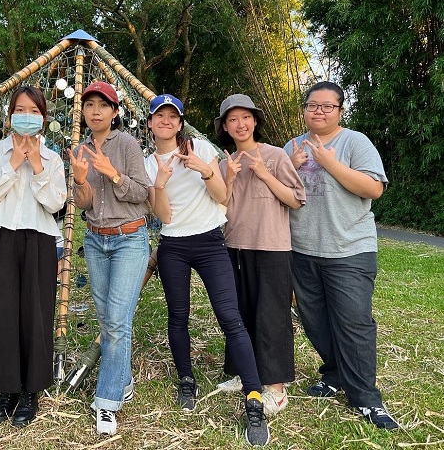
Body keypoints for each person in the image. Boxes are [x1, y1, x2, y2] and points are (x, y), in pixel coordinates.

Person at [145, 94, 270, 446]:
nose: (166, 121)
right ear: (150, 123)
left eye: (172, 116)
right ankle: (186, 379)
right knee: (178, 316)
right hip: (173, 246)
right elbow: (163, 216)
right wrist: (161, 182)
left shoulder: (199, 147)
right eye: (159, 116)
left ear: (180, 122)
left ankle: (254, 397)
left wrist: (205, 169)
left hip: (210, 241)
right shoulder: (148, 164)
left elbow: (222, 197)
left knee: (230, 317)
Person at [283, 81, 397, 430]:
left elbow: (373, 188)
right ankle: (334, 374)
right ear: (304, 109)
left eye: (327, 106)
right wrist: (289, 165)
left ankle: (366, 398)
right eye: (312, 105)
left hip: (349, 249)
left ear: (340, 110)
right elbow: (277, 191)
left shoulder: (355, 142)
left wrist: (330, 164)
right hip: (302, 248)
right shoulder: (292, 145)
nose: (318, 111)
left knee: (354, 323)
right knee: (315, 322)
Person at [0, 85, 66, 428]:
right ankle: (6, 388)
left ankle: (30, 390)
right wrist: (13, 164)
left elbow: (56, 204)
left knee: (36, 313)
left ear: (44, 117)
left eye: (34, 111)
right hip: (2, 237)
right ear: (10, 114)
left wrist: (37, 166)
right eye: (20, 110)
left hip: (40, 239)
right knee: (2, 312)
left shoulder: (53, 158)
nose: (27, 116)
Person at [214, 94, 305, 415]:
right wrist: (228, 177)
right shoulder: (224, 163)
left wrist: (265, 174)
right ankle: (244, 373)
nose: (240, 124)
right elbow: (220, 205)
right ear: (225, 127)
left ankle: (276, 389)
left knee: (271, 316)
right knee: (239, 313)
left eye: (245, 117)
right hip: (234, 246)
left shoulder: (276, 156)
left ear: (255, 121)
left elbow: (296, 199)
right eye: (232, 119)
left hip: (271, 246)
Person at [68, 81, 149, 436]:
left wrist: (112, 173)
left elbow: (142, 193)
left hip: (129, 238)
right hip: (95, 240)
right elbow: (84, 203)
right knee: (107, 320)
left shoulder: (128, 144)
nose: (96, 111)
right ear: (83, 112)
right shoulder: (79, 150)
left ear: (115, 112)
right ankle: (123, 378)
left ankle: (107, 401)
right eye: (89, 105)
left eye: (103, 105)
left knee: (116, 321)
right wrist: (81, 181)